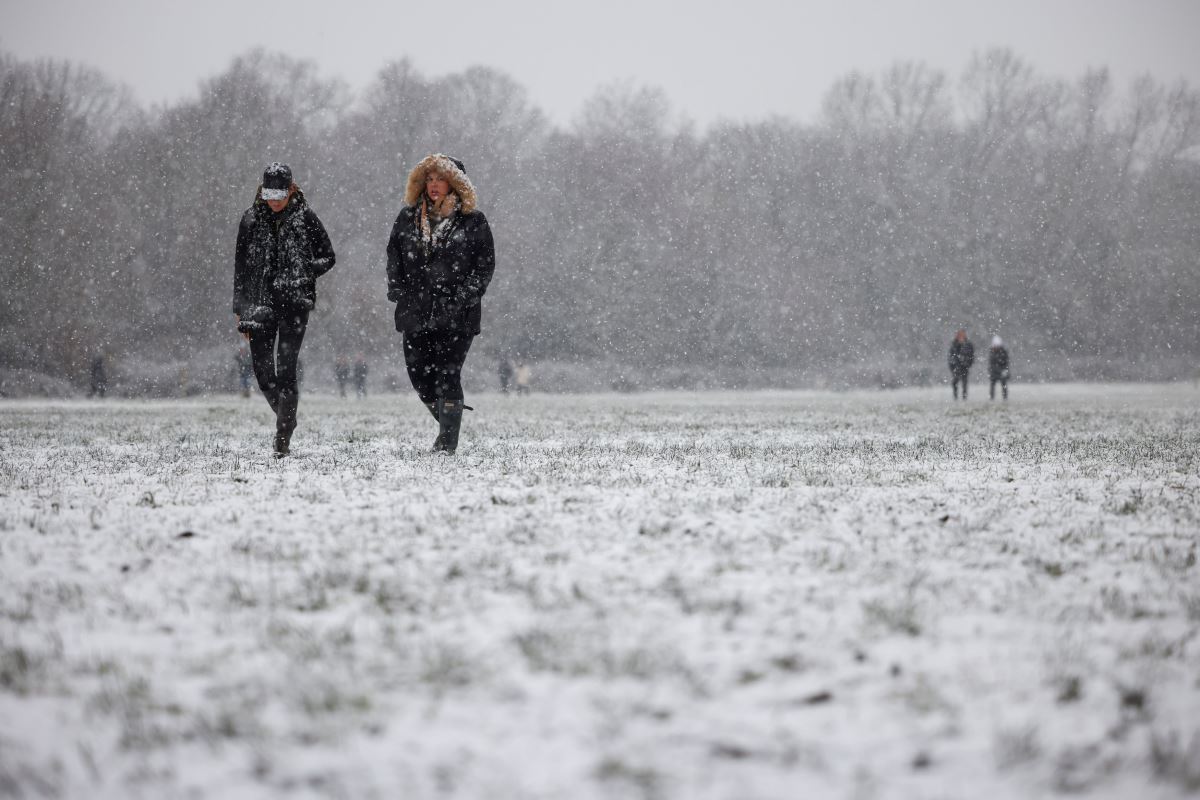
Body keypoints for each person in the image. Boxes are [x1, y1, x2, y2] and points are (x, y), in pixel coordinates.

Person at [386, 154, 495, 454]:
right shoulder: (407, 217)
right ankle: (450, 421)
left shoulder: (474, 221)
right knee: (419, 377)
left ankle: (447, 441)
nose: (434, 185)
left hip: (458, 315)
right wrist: (396, 288)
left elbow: (484, 267)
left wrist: (462, 298)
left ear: (456, 184)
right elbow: (394, 255)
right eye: (430, 179)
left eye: (441, 179)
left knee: (448, 373)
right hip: (415, 311)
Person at [233, 162, 336, 456]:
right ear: (262, 191)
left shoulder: (305, 218)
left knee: (287, 368)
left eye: (280, 193)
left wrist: (303, 273)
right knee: (263, 373)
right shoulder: (250, 220)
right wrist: (239, 308)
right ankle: (287, 417)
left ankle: (282, 440)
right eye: (270, 193)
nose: (275, 200)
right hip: (258, 303)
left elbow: (328, 256)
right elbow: (240, 267)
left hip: (294, 304)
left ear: (291, 190)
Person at [948, 329, 975, 400]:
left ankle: (964, 397)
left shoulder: (968, 345)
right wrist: (952, 366)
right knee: (955, 382)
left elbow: (971, 355)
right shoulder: (954, 344)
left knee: (964, 382)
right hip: (956, 366)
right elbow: (951, 356)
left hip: (965, 367)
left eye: (962, 335)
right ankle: (955, 397)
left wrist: (968, 363)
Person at [989, 335, 1010, 401]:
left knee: (1003, 385)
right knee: (992, 385)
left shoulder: (1003, 352)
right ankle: (992, 398)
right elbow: (991, 363)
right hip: (994, 371)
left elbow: (1006, 362)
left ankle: (1005, 398)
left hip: (1001, 371)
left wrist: (1004, 370)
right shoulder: (992, 352)